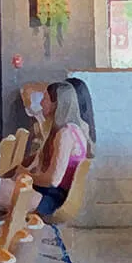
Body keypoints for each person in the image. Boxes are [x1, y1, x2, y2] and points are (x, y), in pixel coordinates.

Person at [31, 80, 92, 217]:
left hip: (54, 199)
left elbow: (53, 181)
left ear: (56, 104)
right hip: (54, 194)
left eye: (45, 99)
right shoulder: (75, 129)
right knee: (6, 188)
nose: (41, 103)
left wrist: (27, 177)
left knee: (4, 192)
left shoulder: (65, 135)